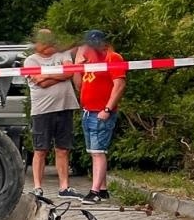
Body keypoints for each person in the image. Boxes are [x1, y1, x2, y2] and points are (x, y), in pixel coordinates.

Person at [72, 30, 127, 204]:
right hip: (88, 110)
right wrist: (77, 66)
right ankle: (102, 189)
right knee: (94, 151)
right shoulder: (89, 62)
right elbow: (79, 85)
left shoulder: (113, 58)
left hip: (101, 111)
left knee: (98, 151)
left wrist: (108, 108)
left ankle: (94, 191)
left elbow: (119, 84)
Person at [23, 28, 78, 196]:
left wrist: (48, 75)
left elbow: (69, 72)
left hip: (64, 107)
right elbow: (40, 82)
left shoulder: (63, 55)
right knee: (41, 149)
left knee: (63, 148)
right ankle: (38, 187)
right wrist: (59, 74)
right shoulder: (30, 61)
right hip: (42, 110)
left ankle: (64, 187)